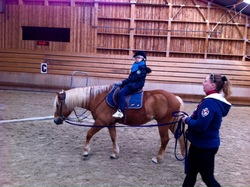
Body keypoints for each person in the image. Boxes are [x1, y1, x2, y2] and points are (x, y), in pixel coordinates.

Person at [182, 73, 232, 187]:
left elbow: (201, 126)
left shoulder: (209, 103)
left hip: (204, 147)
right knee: (191, 174)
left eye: (205, 81)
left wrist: (187, 120)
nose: (203, 83)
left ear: (213, 85)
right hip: (199, 144)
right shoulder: (210, 100)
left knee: (208, 178)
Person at [112, 51, 151, 118]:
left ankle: (120, 111)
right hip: (132, 83)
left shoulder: (141, 69)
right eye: (136, 58)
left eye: (139, 58)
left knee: (121, 93)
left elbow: (133, 78)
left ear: (143, 59)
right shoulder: (135, 66)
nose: (137, 59)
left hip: (136, 85)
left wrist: (122, 82)